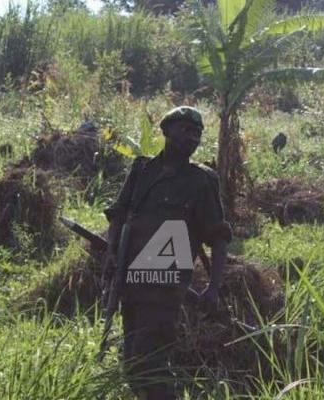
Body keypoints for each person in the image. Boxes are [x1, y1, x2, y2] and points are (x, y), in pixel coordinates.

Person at [103, 106, 232, 399]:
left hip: (165, 289)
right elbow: (119, 214)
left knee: (151, 366)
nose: (193, 138)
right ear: (166, 131)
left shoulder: (201, 181)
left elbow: (219, 237)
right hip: (131, 285)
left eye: (198, 134)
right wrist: (111, 253)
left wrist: (213, 288)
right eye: (186, 130)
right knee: (134, 368)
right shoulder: (142, 171)